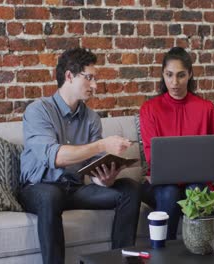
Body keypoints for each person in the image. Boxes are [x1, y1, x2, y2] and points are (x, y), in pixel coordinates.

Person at [19, 48, 141, 264]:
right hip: (37, 188)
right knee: (50, 196)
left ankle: (120, 261)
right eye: (89, 78)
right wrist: (102, 144)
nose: (94, 85)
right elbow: (55, 156)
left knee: (130, 189)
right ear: (69, 76)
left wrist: (104, 178)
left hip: (74, 189)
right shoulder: (38, 111)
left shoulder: (91, 118)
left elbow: (94, 169)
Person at [140, 47, 214, 240]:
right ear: (163, 74)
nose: (174, 82)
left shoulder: (206, 109)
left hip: (196, 181)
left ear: (190, 75)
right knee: (169, 193)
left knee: (195, 190)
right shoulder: (149, 109)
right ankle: (164, 254)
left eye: (180, 75)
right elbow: (152, 156)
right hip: (162, 185)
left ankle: (200, 248)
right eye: (169, 75)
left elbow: (212, 154)